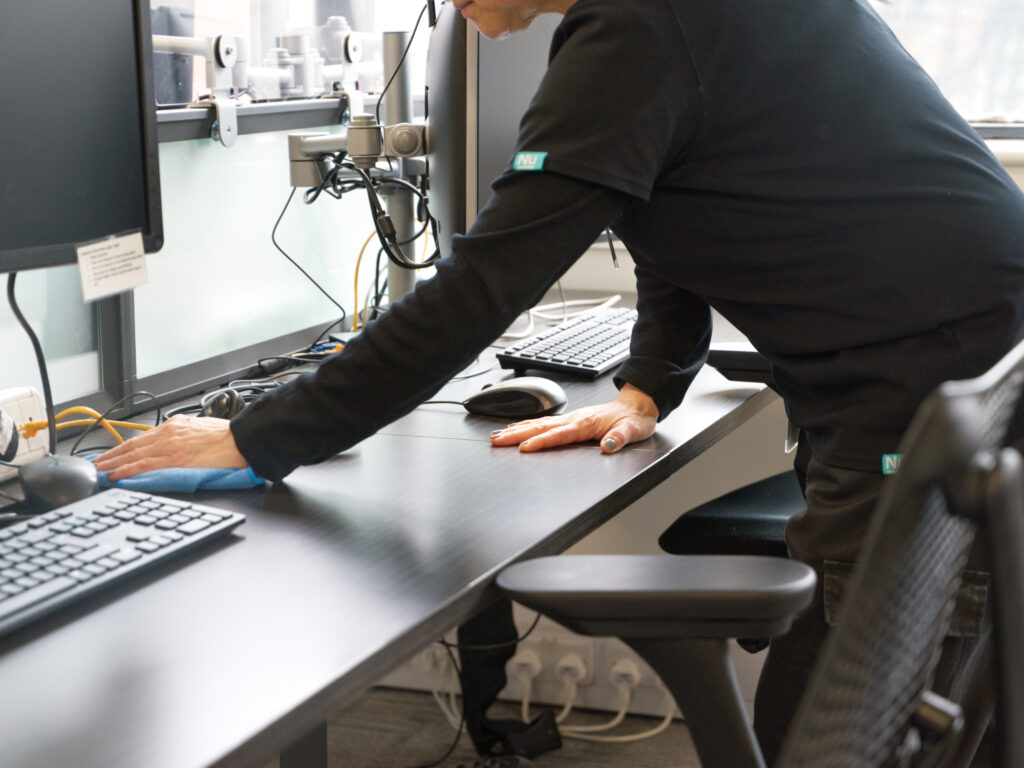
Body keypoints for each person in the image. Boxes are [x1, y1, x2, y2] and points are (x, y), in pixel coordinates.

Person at [96, 0, 1024, 761]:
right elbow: (680, 196)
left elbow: (483, 287)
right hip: (954, 380)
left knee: (832, 741)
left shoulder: (638, 29)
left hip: (922, 402)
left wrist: (260, 436)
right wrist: (648, 384)